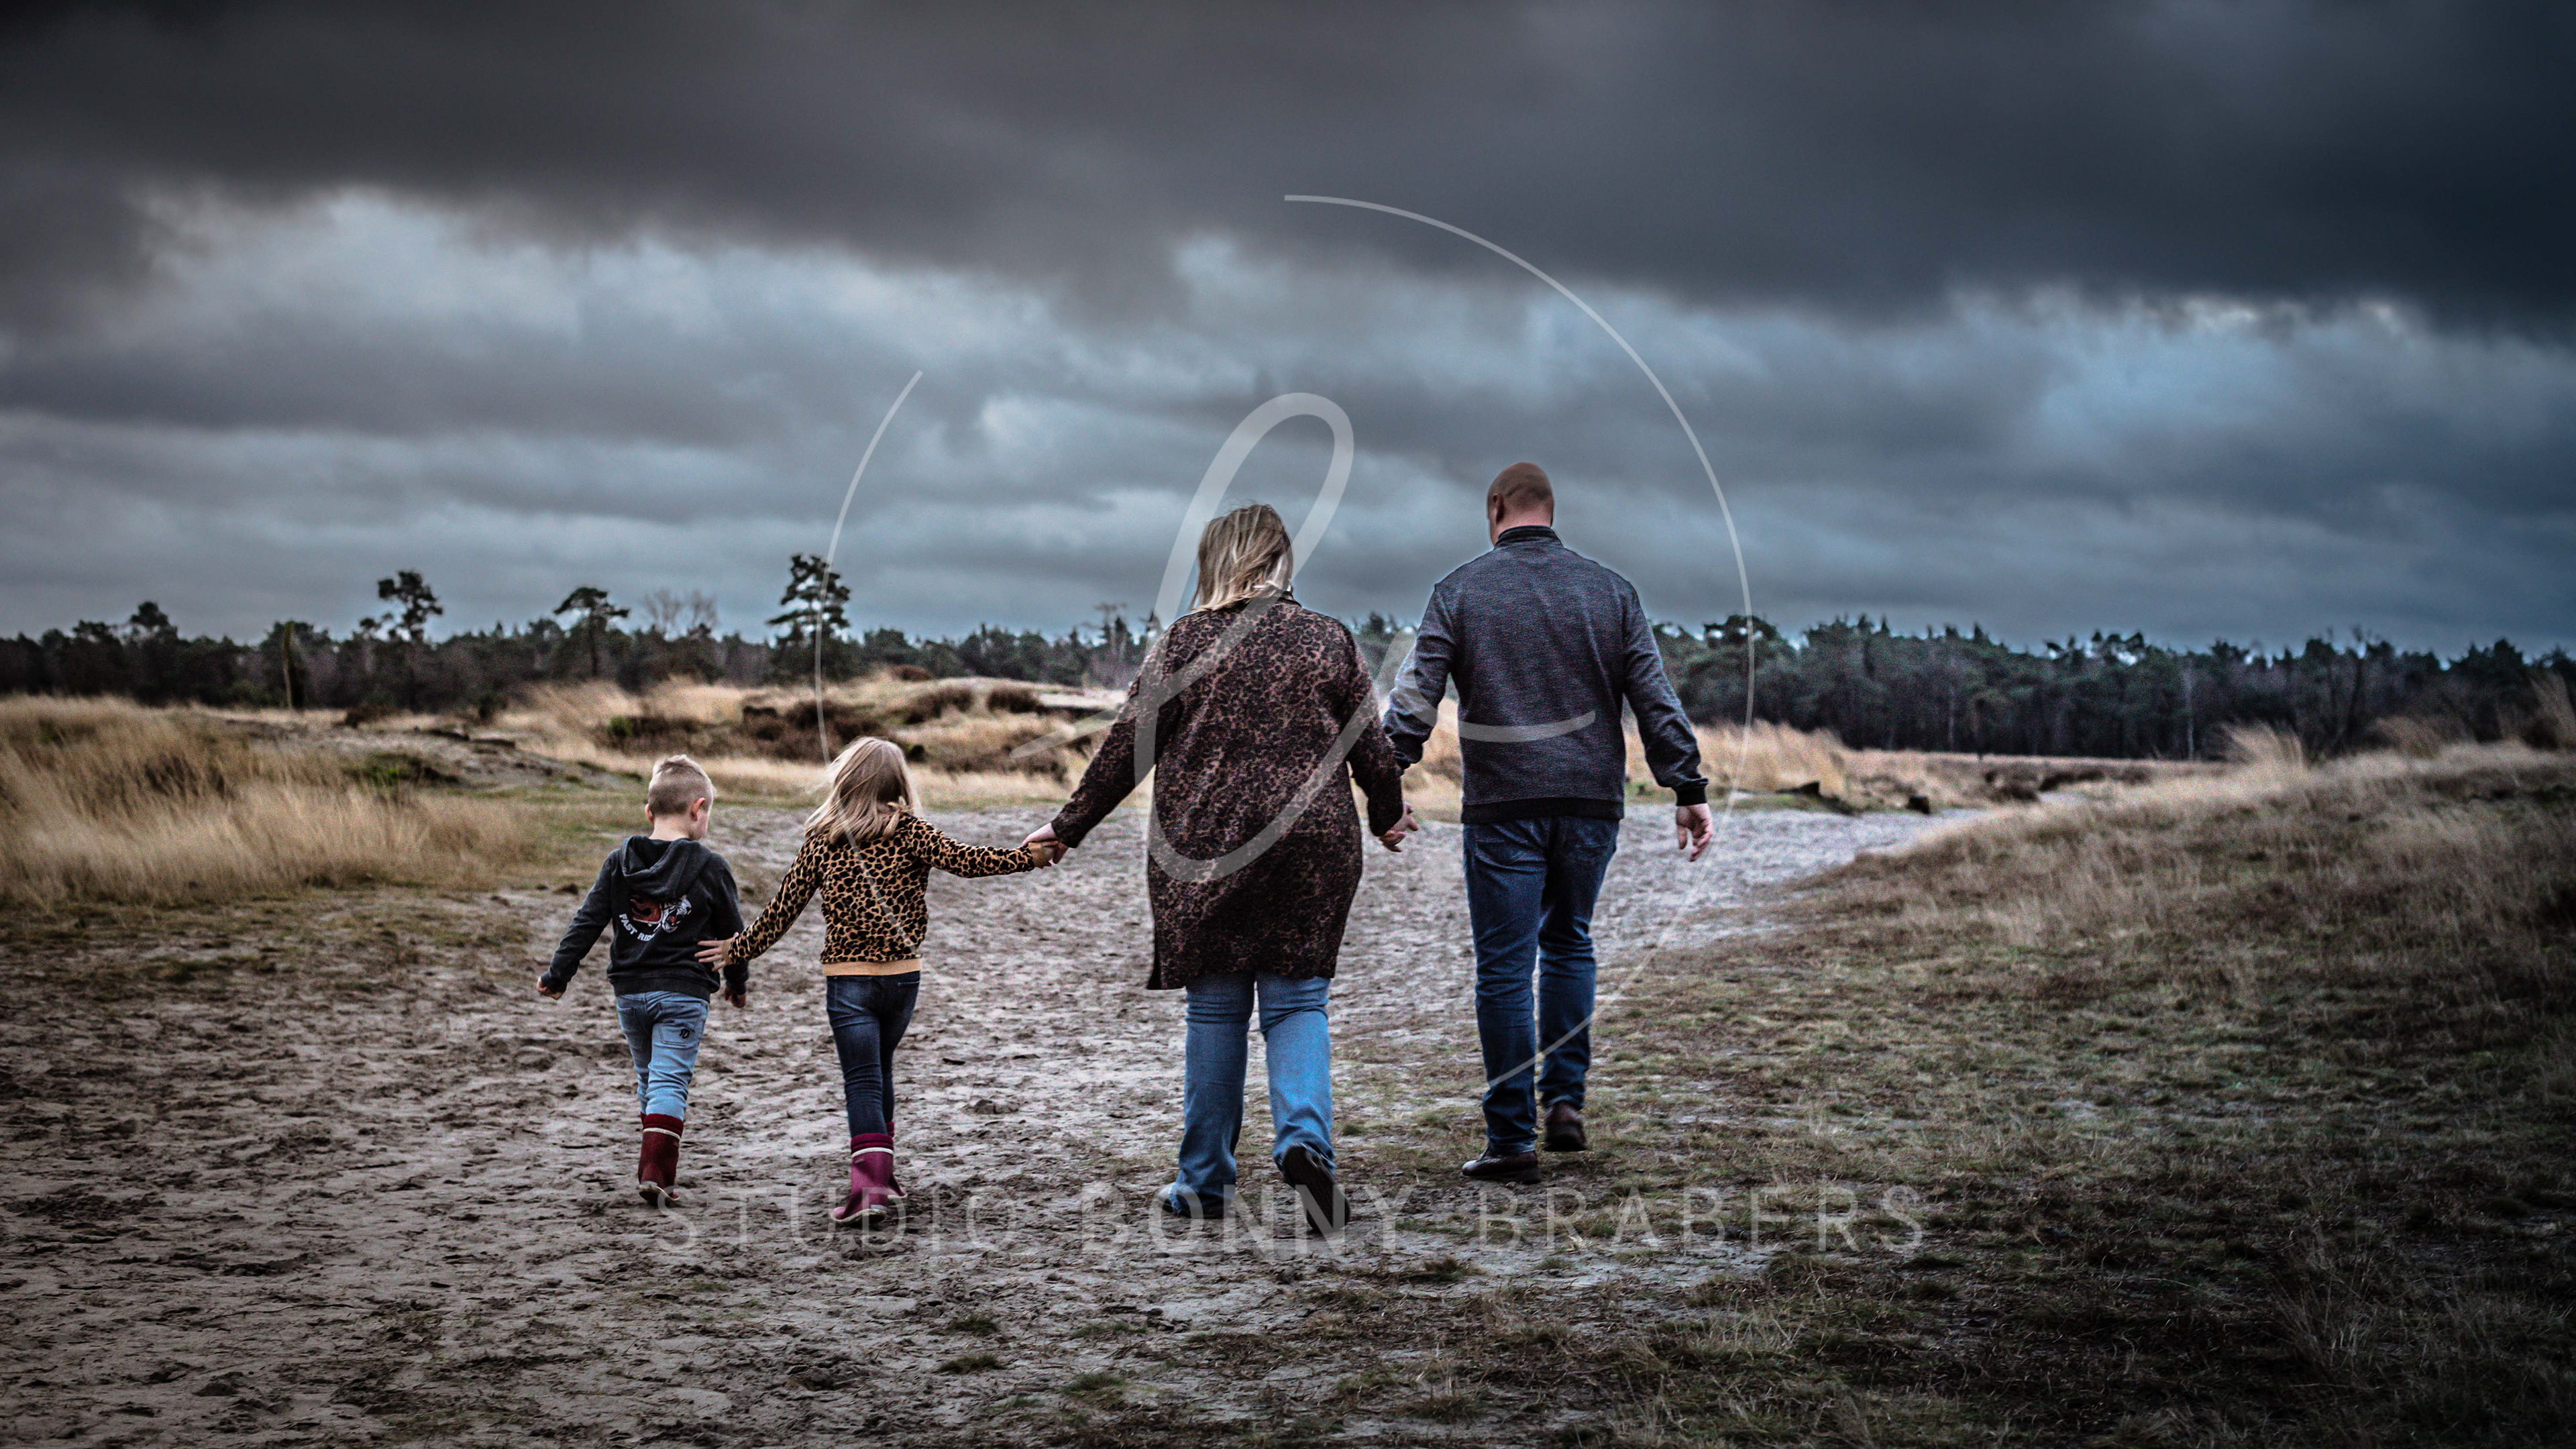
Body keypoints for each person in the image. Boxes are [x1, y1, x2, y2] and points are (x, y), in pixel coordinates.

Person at [1024, 502, 1411, 1238]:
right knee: (1298, 1004)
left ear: (1217, 561)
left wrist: (1069, 825)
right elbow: (1371, 746)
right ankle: (1304, 1142)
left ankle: (1203, 1182)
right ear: (1281, 560)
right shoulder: (1328, 638)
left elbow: (1127, 748)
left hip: (1206, 847)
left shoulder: (1184, 643)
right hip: (1313, 847)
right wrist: (1388, 813)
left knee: (1216, 1011)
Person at [1383, 462, 1713, 1184]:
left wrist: (1387, 780)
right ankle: (1564, 1103)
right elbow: (1654, 696)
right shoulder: (1612, 591)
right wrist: (1686, 786)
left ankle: (1511, 1140)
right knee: (1569, 942)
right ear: (1551, 510)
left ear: (1496, 507)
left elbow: (1415, 698)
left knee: (1506, 966)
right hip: (1590, 803)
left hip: (1505, 807)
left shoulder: (1460, 590)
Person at [698, 737, 1055, 1224]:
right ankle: (884, 1177)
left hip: (849, 983)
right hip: (903, 982)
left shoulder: (823, 841)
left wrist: (735, 949)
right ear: (898, 783)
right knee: (880, 1067)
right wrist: (1026, 857)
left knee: (863, 1078)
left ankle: (869, 1190)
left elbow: (780, 913)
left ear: (845, 781)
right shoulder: (912, 831)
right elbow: (969, 861)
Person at [538, 754, 747, 1208]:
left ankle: (652, 1165)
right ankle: (656, 1173)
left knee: (650, 1077)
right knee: (670, 1080)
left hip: (630, 995)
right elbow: (734, 933)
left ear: (649, 813)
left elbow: (587, 921)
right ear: (698, 809)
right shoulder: (712, 867)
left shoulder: (619, 862)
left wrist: (559, 974)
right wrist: (738, 980)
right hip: (684, 993)